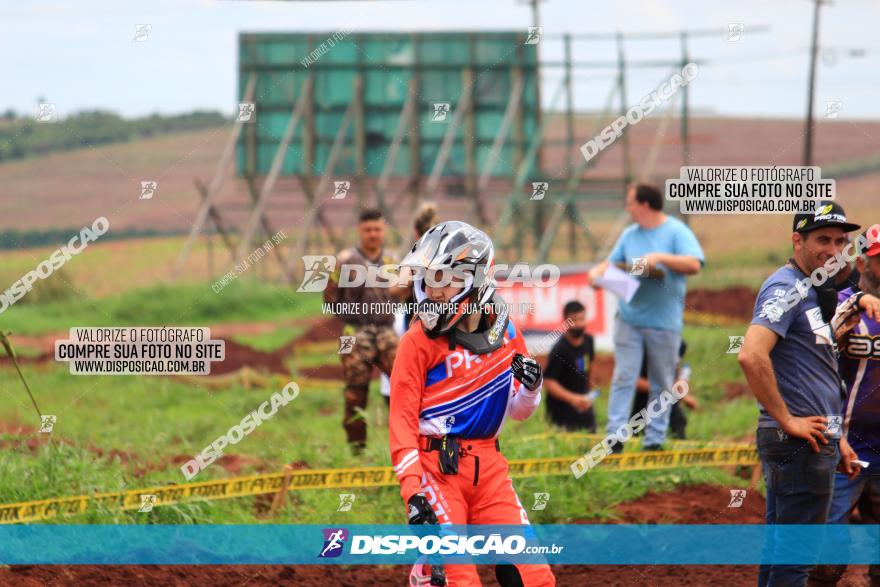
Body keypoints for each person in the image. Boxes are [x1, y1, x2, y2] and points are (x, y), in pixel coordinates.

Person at [390, 221, 556, 587]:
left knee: (534, 578)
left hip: (490, 468)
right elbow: (400, 424)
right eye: (428, 279)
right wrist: (413, 492)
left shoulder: (507, 330)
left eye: (443, 279)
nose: (432, 291)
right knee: (460, 580)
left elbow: (519, 411)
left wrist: (530, 389)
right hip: (436, 470)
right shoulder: (416, 343)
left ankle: (426, 571)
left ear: (475, 279)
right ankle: (432, 573)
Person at [738, 202, 870, 587]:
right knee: (797, 559)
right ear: (797, 240)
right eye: (822, 240)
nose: (833, 249)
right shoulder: (787, 288)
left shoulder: (815, 290)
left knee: (781, 552)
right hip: (799, 442)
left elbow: (814, 373)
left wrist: (838, 436)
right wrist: (787, 419)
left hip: (815, 439)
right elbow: (750, 354)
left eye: (840, 241)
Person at [588, 183, 704, 451]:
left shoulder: (677, 231)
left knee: (662, 383)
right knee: (623, 376)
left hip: (664, 324)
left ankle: (654, 441)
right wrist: (595, 274)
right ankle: (615, 438)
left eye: (630, 202)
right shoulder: (629, 235)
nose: (627, 208)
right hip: (629, 319)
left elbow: (694, 264)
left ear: (645, 205)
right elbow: (612, 263)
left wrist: (660, 258)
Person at [809, 230, 880, 587]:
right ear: (864, 262)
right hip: (846, 448)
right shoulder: (842, 305)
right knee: (827, 557)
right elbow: (811, 362)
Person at [323, 208, 407, 452]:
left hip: (386, 331)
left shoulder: (392, 260)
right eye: (368, 229)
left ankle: (403, 443)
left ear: (384, 231)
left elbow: (404, 291)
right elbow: (330, 297)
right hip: (353, 332)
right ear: (360, 231)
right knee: (355, 392)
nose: (373, 234)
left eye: (377, 229)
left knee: (402, 385)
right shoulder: (344, 260)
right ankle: (357, 448)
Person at [380, 202, 438, 405]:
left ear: (415, 233)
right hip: (441, 321)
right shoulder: (441, 255)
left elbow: (394, 288)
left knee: (418, 367)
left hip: (418, 324)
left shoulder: (415, 257)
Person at [543, 300, 597, 432]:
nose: (578, 324)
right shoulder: (560, 349)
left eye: (581, 319)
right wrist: (573, 399)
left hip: (584, 406)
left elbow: (591, 364)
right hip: (562, 410)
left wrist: (588, 392)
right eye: (574, 320)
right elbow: (549, 382)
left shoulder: (589, 341)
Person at [630, 340, 695, 439]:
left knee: (679, 420)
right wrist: (665, 388)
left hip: (669, 406)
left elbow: (677, 381)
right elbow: (635, 382)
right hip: (644, 406)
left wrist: (681, 387)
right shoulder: (646, 357)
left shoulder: (678, 350)